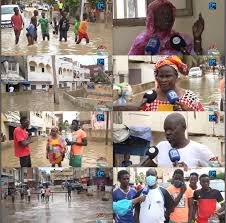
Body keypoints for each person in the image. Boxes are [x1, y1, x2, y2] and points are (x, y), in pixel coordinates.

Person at [128, 0, 204, 55]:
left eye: (169, 13)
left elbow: (195, 64)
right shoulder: (142, 41)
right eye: (162, 13)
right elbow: (132, 67)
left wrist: (197, 39)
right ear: (152, 18)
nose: (167, 16)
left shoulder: (182, 39)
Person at [140, 56, 204, 111]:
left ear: (176, 76)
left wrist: (189, 112)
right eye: (161, 76)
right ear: (156, 77)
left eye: (168, 76)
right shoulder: (149, 98)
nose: (163, 80)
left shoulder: (190, 97)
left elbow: (203, 118)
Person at [153, 113, 218, 168]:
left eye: (171, 129)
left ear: (183, 128)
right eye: (165, 130)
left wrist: (188, 171)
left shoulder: (200, 149)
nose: (167, 133)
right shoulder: (160, 146)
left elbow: (218, 169)